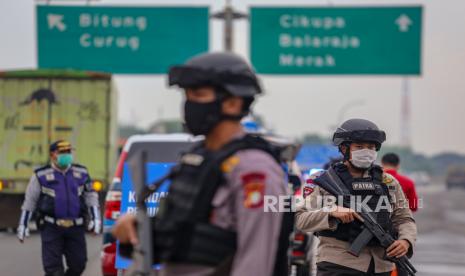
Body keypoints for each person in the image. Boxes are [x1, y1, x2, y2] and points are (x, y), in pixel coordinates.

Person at [112, 52, 292, 276]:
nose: (189, 104)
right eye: (187, 95)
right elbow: (186, 231)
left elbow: (255, 261)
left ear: (233, 104)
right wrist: (137, 227)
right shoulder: (197, 158)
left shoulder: (254, 170)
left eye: (199, 95)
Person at [295, 118, 417, 276]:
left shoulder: (388, 182)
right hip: (338, 264)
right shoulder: (324, 181)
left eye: (371, 147)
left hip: (382, 266)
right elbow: (300, 219)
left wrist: (406, 241)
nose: (366, 151)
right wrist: (330, 212)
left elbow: (404, 218)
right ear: (344, 149)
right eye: (359, 146)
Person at [17, 140, 101, 276]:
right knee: (53, 270)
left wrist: (96, 219)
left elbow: (91, 196)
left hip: (75, 228)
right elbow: (30, 201)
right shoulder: (40, 175)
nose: (66, 155)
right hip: (51, 228)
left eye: (68, 152)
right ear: (52, 155)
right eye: (62, 152)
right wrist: (23, 224)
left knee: (78, 265)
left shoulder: (82, 173)